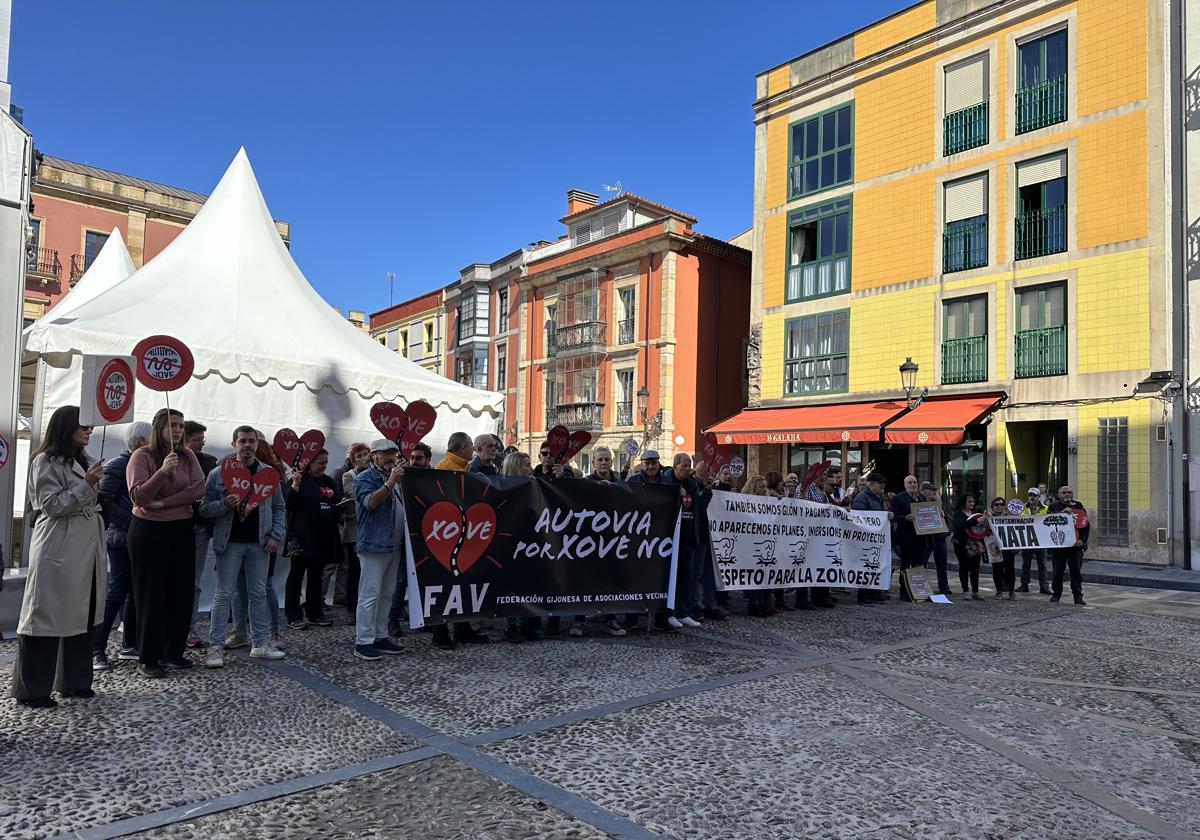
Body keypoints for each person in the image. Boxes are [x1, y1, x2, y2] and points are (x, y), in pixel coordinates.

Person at [12, 406, 107, 707]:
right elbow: (52, 505)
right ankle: (34, 689)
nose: (88, 432)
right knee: (46, 615)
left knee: (83, 612)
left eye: (89, 427)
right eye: (82, 427)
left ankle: (74, 681)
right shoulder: (44, 461)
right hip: (59, 543)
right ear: (66, 429)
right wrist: (87, 483)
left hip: (86, 544)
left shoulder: (87, 460)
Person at [126, 408, 205, 678]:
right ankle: (148, 656)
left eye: (181, 425)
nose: (178, 430)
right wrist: (161, 472)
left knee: (180, 592)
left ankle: (174, 651)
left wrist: (164, 502)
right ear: (158, 427)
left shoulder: (188, 456)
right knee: (151, 594)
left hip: (181, 528)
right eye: (172, 425)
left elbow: (198, 488)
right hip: (149, 531)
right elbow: (138, 496)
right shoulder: (142, 456)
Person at [200, 426, 286, 667]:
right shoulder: (218, 474)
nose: (247, 445)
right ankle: (215, 647)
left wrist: (276, 536)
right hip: (229, 543)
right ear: (234, 444)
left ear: (257, 445)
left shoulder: (269, 473)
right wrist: (224, 504)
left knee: (258, 593)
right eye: (242, 441)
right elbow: (205, 508)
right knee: (223, 593)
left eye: (251, 441)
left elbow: (279, 508)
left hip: (259, 544)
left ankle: (259, 644)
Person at [93, 421, 150, 670]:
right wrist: (135, 521)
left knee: (135, 593)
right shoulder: (118, 465)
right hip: (120, 538)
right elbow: (106, 503)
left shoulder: (147, 465)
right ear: (140, 441)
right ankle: (96, 648)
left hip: (139, 538)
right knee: (117, 592)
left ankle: (129, 644)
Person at [352, 439, 408, 660]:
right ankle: (363, 641)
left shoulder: (395, 478)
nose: (390, 458)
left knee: (387, 593)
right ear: (374, 455)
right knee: (370, 594)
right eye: (385, 454)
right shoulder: (364, 478)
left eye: (393, 453)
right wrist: (391, 482)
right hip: (374, 545)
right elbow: (370, 503)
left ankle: (380, 635)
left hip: (394, 545)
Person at [284, 448, 343, 628]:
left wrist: (338, 503)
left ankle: (314, 613)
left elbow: (337, 502)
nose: (323, 466)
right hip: (302, 536)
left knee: (316, 576)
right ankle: (293, 615)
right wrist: (295, 485)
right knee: (296, 576)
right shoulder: (299, 480)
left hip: (323, 537)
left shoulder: (329, 481)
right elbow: (289, 504)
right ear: (310, 463)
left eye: (325, 462)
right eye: (320, 462)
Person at [182, 420, 218, 648]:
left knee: (194, 581)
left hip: (200, 527)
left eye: (202, 440)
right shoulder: (173, 461)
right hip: (175, 525)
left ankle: (189, 628)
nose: (200, 444)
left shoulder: (209, 463)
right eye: (196, 440)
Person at [338, 443, 370, 625]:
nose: (364, 458)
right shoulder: (348, 476)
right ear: (352, 460)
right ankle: (351, 610)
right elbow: (355, 493)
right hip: (355, 530)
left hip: (371, 529)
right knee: (355, 571)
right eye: (359, 455)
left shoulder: (377, 474)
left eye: (366, 454)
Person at [801, 467, 840, 609]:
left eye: (825, 474)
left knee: (821, 564)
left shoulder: (822, 491)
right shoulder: (806, 488)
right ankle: (804, 598)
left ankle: (822, 596)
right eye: (822, 474)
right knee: (806, 567)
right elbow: (801, 505)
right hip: (809, 533)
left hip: (821, 534)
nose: (825, 477)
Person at [851, 472, 892, 603]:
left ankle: (875, 592)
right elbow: (858, 517)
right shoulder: (862, 498)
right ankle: (864, 595)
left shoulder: (880, 498)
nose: (883, 486)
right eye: (880, 483)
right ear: (871, 484)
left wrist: (887, 516)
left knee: (876, 565)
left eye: (883, 483)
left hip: (878, 539)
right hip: (866, 539)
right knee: (865, 566)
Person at [1048, 485, 1089, 605]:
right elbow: (1049, 522)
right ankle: (1056, 594)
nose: (1067, 494)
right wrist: (1062, 513)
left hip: (1075, 547)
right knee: (1057, 571)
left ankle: (1078, 596)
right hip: (1059, 547)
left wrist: (1082, 540)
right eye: (1064, 492)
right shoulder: (1053, 506)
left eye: (1069, 492)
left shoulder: (1079, 506)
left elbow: (1085, 524)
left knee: (1076, 572)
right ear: (1059, 495)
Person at [920, 482, 951, 597]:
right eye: (931, 491)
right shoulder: (919, 503)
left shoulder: (939, 503)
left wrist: (945, 525)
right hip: (926, 538)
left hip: (939, 537)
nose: (934, 493)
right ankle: (921, 586)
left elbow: (947, 518)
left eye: (934, 491)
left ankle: (944, 587)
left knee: (942, 564)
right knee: (922, 563)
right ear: (924, 492)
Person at [951, 494, 985, 600]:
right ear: (963, 502)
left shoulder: (974, 514)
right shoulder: (958, 514)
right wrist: (977, 521)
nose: (971, 503)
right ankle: (965, 591)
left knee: (975, 568)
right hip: (962, 544)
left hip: (975, 544)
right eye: (969, 501)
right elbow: (961, 525)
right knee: (964, 567)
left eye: (973, 501)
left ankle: (975, 591)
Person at [1019, 487, 1051, 595]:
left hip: (1041, 540)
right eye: (1030, 495)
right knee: (1025, 564)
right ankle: (1024, 585)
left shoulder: (1046, 508)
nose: (1032, 497)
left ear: (1038, 496)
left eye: (1034, 495)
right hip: (1027, 538)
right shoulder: (1022, 508)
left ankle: (1044, 586)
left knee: (1042, 564)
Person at [987, 497, 1017, 600]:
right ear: (992, 507)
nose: (999, 506)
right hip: (995, 546)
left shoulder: (1009, 516)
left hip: (1008, 546)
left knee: (1010, 569)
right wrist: (987, 519)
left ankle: (1012, 591)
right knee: (997, 569)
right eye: (996, 504)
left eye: (1001, 504)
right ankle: (999, 591)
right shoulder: (988, 517)